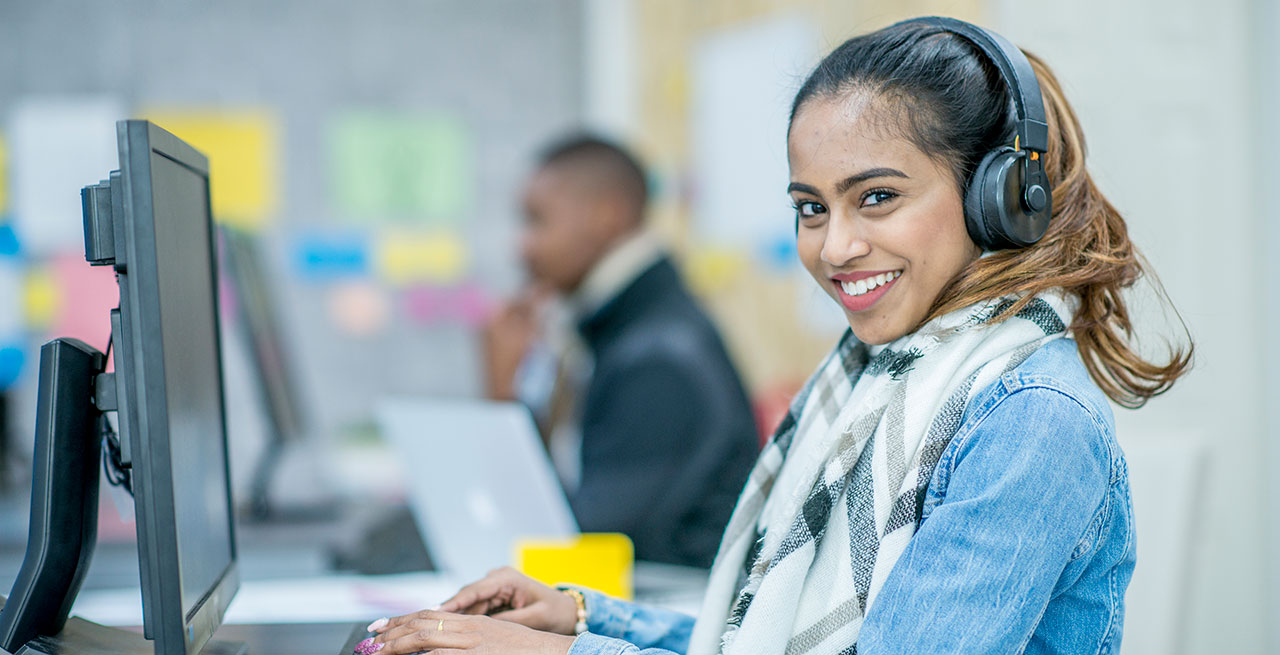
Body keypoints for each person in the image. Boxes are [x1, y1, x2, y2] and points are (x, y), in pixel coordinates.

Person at [358, 16, 1192, 655]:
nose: (833, 247)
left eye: (876, 198)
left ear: (999, 199)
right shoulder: (875, 378)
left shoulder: (1027, 419)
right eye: (810, 207)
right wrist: (581, 616)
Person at [482, 135, 759, 569]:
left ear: (606, 216)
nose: (523, 246)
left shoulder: (656, 356)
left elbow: (578, 548)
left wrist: (503, 395)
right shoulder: (624, 327)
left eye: (537, 221)